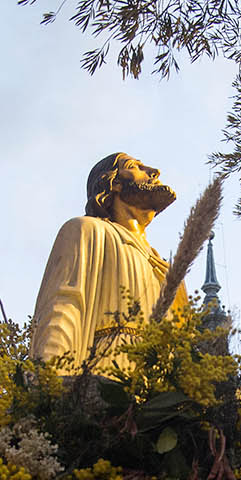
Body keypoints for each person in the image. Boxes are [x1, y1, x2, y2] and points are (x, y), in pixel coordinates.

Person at [29, 152, 186, 371]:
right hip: (105, 375)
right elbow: (64, 307)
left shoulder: (166, 271)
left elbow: (183, 345)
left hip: (160, 389)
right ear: (113, 183)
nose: (153, 172)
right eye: (135, 167)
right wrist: (48, 380)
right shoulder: (86, 230)